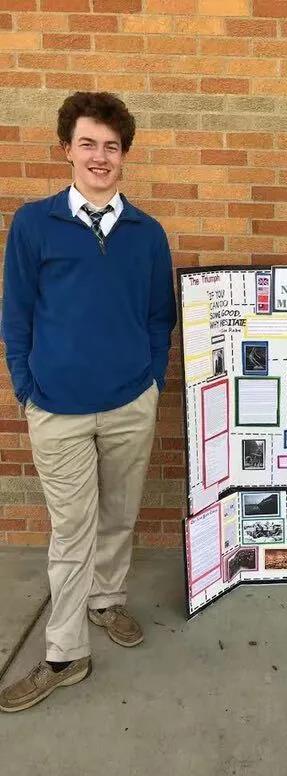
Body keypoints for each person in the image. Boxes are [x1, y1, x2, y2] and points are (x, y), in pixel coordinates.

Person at [0, 92, 177, 712]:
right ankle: (64, 652)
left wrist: (151, 381)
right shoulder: (34, 225)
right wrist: (27, 388)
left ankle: (106, 601)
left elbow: (159, 318)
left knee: (120, 515)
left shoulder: (147, 234)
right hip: (58, 407)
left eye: (111, 146)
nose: (100, 156)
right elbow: (16, 314)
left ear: (124, 154)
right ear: (66, 150)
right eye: (88, 144)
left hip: (130, 402)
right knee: (71, 531)